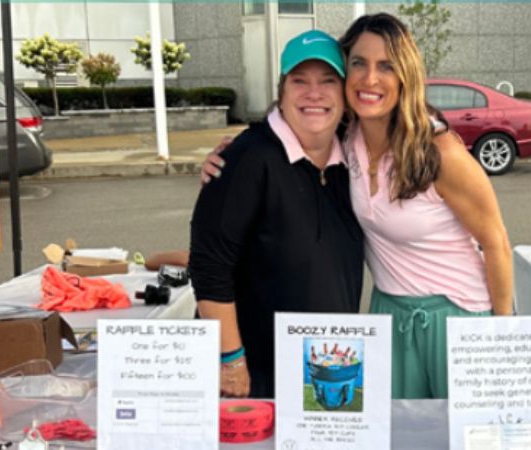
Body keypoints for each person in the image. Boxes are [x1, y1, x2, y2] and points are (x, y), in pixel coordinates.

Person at [202, 14, 512, 400]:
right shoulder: (346, 139)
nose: (370, 79)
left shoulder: (438, 151)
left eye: (386, 66)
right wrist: (231, 156)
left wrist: (503, 337)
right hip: (388, 316)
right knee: (396, 436)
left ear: (405, 75)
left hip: (458, 316)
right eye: (359, 64)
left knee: (466, 435)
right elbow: (290, 126)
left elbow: (496, 241)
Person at [189, 29, 364, 399]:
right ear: (281, 93)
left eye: (328, 81)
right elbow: (209, 266)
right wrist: (231, 360)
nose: (313, 93)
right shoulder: (246, 159)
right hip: (257, 374)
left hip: (329, 364)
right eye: (299, 81)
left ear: (345, 95)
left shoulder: (354, 156)